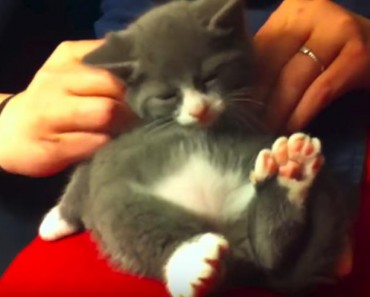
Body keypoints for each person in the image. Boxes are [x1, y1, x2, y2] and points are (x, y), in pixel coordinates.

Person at [0, 0, 369, 278]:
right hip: (137, 141)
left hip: (323, 138)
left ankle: (291, 216)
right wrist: (7, 113)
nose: (197, 108)